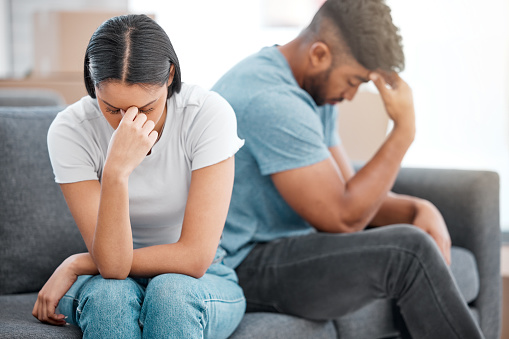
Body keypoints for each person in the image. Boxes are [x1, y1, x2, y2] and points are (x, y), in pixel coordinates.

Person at [211, 0, 484, 338]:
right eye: (354, 80)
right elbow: (343, 217)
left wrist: (417, 208)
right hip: (237, 264)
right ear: (319, 54)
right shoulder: (270, 99)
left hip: (279, 249)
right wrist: (403, 132)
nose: (353, 95)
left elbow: (350, 192)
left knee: (411, 246)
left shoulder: (310, 90)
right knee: (408, 253)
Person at [32, 14, 246, 338]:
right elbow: (113, 270)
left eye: (146, 108)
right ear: (93, 86)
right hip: (110, 279)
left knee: (171, 293)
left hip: (201, 277)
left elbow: (195, 257)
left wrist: (79, 263)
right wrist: (116, 172)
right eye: (112, 109)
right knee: (110, 297)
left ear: (170, 75)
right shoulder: (70, 130)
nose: (127, 124)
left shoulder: (207, 114)